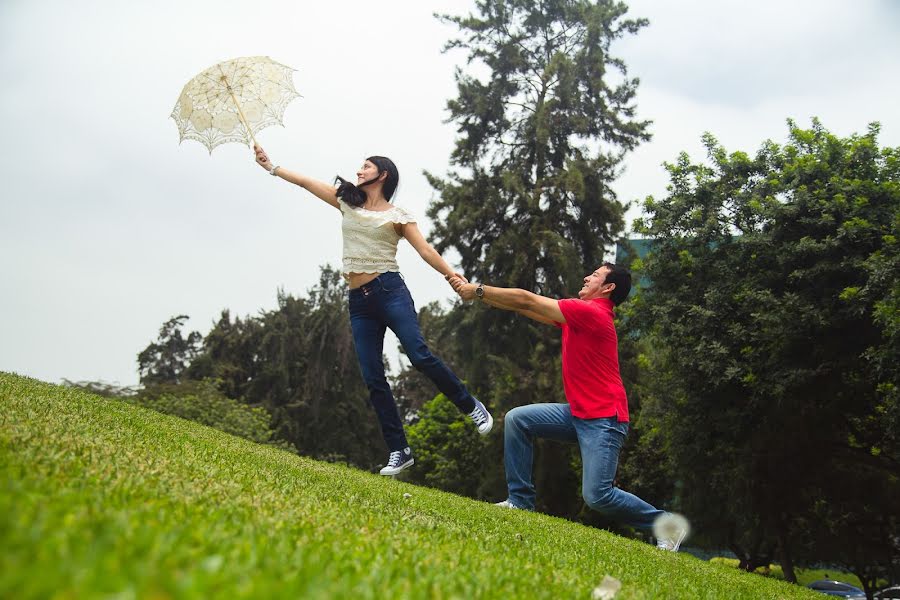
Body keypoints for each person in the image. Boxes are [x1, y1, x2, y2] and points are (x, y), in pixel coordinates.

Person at [253, 145, 493, 475]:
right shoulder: (346, 202)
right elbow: (307, 183)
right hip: (359, 302)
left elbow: (424, 250)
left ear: (382, 175)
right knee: (372, 377)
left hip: (389, 291)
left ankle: (470, 405)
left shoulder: (398, 216)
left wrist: (452, 275)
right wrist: (272, 166)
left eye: (365, 167)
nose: (358, 171)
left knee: (419, 355)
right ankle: (399, 449)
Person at [450, 264, 688, 551]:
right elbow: (526, 309)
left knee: (598, 495)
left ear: (607, 287)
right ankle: (520, 501)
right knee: (517, 420)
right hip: (578, 413)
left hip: (604, 419)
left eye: (595, 276)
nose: (587, 277)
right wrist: (480, 297)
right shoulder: (578, 316)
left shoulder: (592, 312)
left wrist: (477, 290)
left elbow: (527, 299)